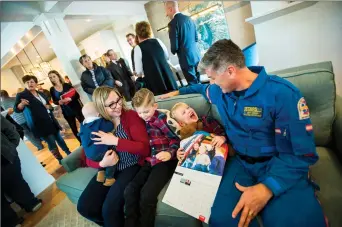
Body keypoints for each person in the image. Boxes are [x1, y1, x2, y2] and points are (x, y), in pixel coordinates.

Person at [165, 39, 326, 227]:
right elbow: (202, 89)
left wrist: (267, 188)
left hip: (277, 164)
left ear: (231, 71)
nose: (212, 82)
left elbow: (302, 153)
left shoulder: (282, 94)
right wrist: (177, 92)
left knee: (296, 221)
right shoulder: (220, 91)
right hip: (240, 163)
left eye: (214, 77)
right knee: (222, 220)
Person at [77, 86, 150, 227]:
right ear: (100, 108)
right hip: (108, 168)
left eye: (118, 100)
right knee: (85, 207)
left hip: (131, 166)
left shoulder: (130, 116)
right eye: (111, 104)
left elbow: (145, 149)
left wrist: (115, 141)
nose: (118, 106)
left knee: (110, 209)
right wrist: (102, 164)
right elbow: (88, 156)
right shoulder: (95, 124)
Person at [125, 88, 180, 227]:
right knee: (130, 189)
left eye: (146, 111)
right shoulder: (140, 121)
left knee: (147, 195)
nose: (143, 115)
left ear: (154, 106)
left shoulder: (161, 119)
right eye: (139, 112)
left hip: (164, 161)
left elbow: (175, 139)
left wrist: (170, 153)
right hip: (149, 161)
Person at [14, 75, 71, 163]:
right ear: (24, 84)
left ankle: (68, 153)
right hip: (39, 124)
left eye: (32, 82)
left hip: (51, 121)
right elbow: (16, 110)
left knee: (59, 138)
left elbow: (49, 106)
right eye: (27, 82)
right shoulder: (22, 95)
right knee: (51, 142)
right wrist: (22, 104)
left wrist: (49, 107)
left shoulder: (41, 93)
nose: (30, 84)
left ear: (36, 83)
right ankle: (60, 160)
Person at [1, 116, 42, 227]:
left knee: (15, 183)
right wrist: (10, 148)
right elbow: (10, 129)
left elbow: (11, 131)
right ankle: (31, 204)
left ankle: (11, 222)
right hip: (6, 157)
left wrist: (10, 147)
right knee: (16, 183)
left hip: (6, 158)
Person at [134, 21, 178, 96]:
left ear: (137, 33)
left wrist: (137, 73)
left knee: (161, 101)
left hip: (154, 81)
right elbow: (166, 57)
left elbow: (139, 71)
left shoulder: (138, 48)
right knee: (175, 96)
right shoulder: (158, 41)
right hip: (167, 76)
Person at [79, 102, 116, 186]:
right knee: (111, 156)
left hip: (89, 154)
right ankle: (109, 178)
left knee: (100, 158)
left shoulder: (83, 126)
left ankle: (101, 173)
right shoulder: (98, 122)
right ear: (98, 113)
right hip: (100, 152)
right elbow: (110, 126)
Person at [165, 1, 201, 85]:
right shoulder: (189, 19)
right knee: (199, 82)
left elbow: (174, 47)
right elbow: (196, 38)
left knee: (193, 84)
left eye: (166, 11)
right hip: (196, 55)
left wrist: (173, 51)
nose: (166, 14)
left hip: (185, 58)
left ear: (170, 9)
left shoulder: (172, 24)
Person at [48, 70, 84, 142]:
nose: (53, 79)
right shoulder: (52, 89)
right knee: (73, 128)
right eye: (50, 77)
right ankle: (81, 142)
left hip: (76, 108)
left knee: (84, 124)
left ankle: (89, 137)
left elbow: (77, 95)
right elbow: (55, 101)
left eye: (54, 76)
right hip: (66, 111)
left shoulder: (67, 85)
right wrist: (59, 102)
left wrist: (70, 98)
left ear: (58, 76)